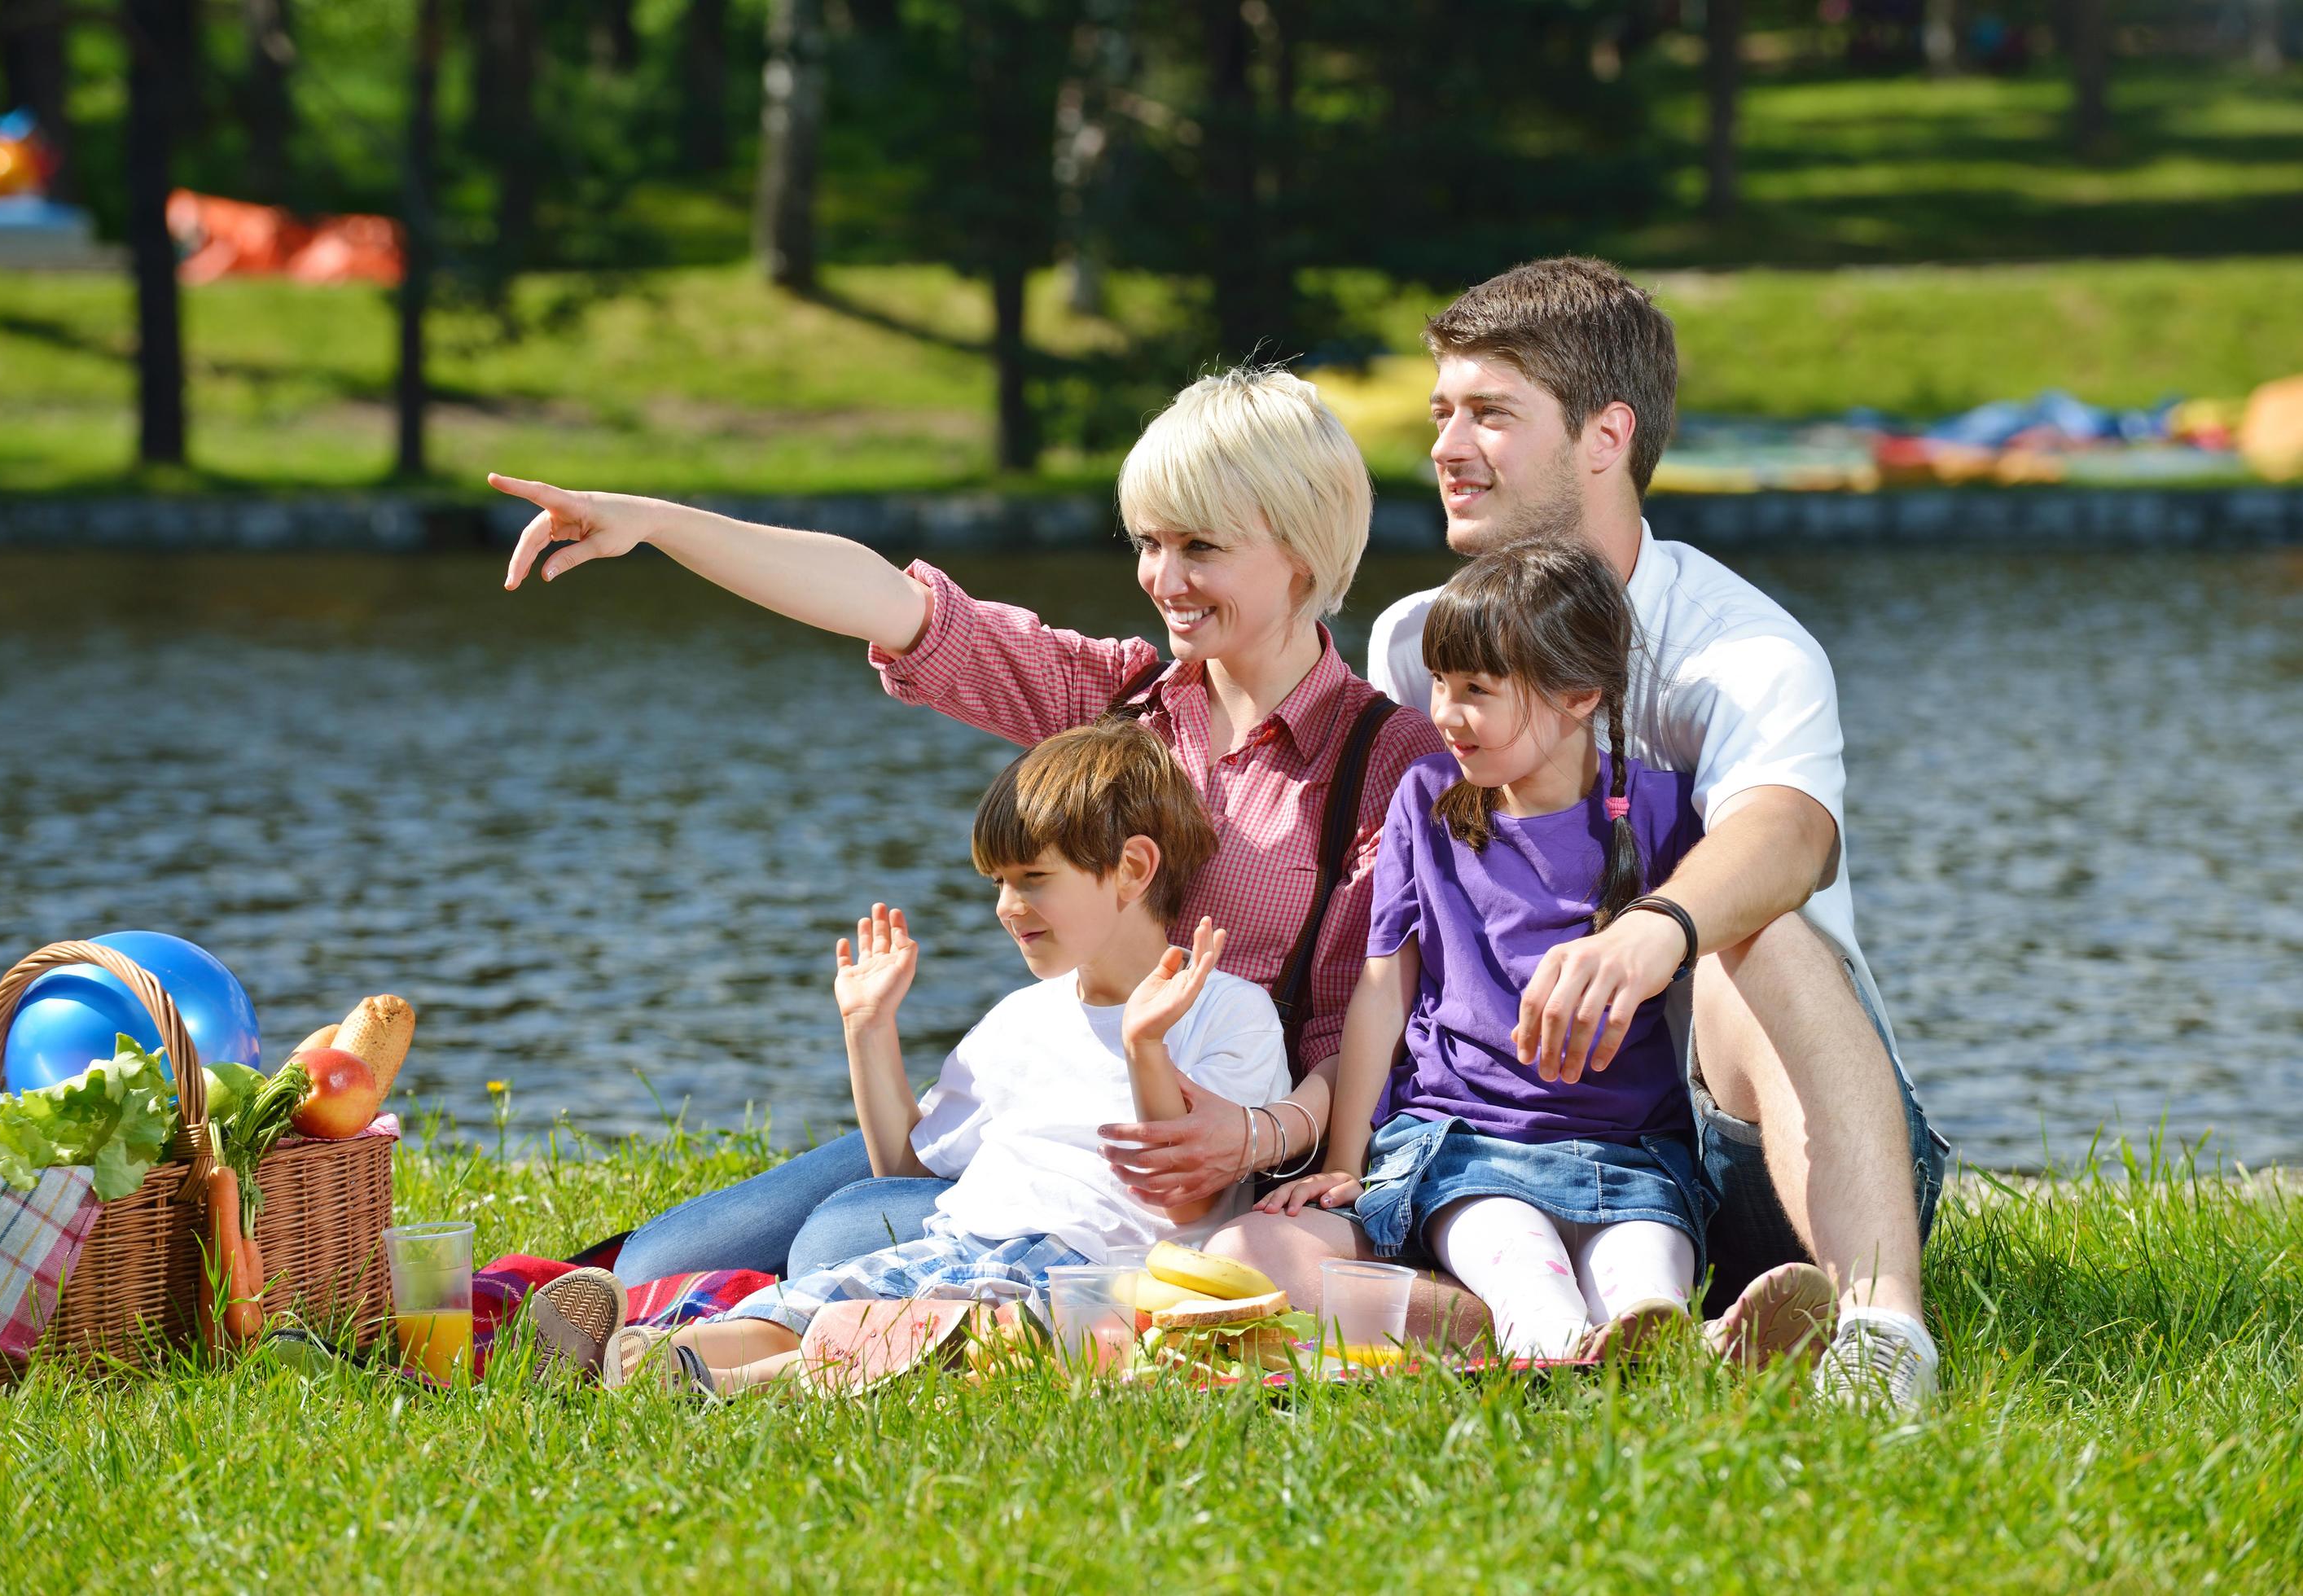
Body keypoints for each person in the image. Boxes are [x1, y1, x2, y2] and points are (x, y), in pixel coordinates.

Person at [489, 366, 1443, 1290]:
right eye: (1150, 543)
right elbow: (894, 606)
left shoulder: (1384, 759)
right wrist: (655, 523)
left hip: (1202, 1172)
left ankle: (787, 1324)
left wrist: (1258, 1135)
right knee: (660, 1260)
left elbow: (1358, 1030)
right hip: (1039, 1126)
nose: (1163, 577)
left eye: (1201, 548)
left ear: (1304, 551)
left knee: (840, 1242)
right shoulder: (1114, 703)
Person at [1274, 256, 1946, 1405]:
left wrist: (1654, 931)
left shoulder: (1742, 648)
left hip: (1753, 1147)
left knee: (1757, 927)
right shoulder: (1418, 642)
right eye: (1441, 411)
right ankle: (1588, 1326)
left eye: (1490, 412)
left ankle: (1883, 1337)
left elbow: (1786, 837)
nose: (1443, 445)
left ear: (1605, 436)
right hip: (1505, 1132)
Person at [1260, 539, 1841, 1361]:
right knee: (1526, 1274)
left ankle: (1680, 1346)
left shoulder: (1662, 812)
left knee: (1645, 1283)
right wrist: (1349, 1162)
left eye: (1477, 691)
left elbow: (1791, 864)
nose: (1446, 712)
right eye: (1440, 684)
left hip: (1631, 1155)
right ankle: (1583, 1349)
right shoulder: (1425, 802)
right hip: (1466, 1146)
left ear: (1578, 695)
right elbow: (1382, 988)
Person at [604, 722, 1290, 1393]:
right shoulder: (1021, 1017)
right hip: (959, 1244)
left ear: (1132, 869)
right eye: (996, 881)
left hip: (1088, 1276)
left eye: (1032, 878)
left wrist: (1144, 1049)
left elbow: (1187, 1198)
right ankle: (624, 1355)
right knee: (791, 1312)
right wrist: (869, 1032)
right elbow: (902, 1173)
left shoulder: (1227, 1012)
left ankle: (709, 1385)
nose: (1005, 906)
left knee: (916, 1339)